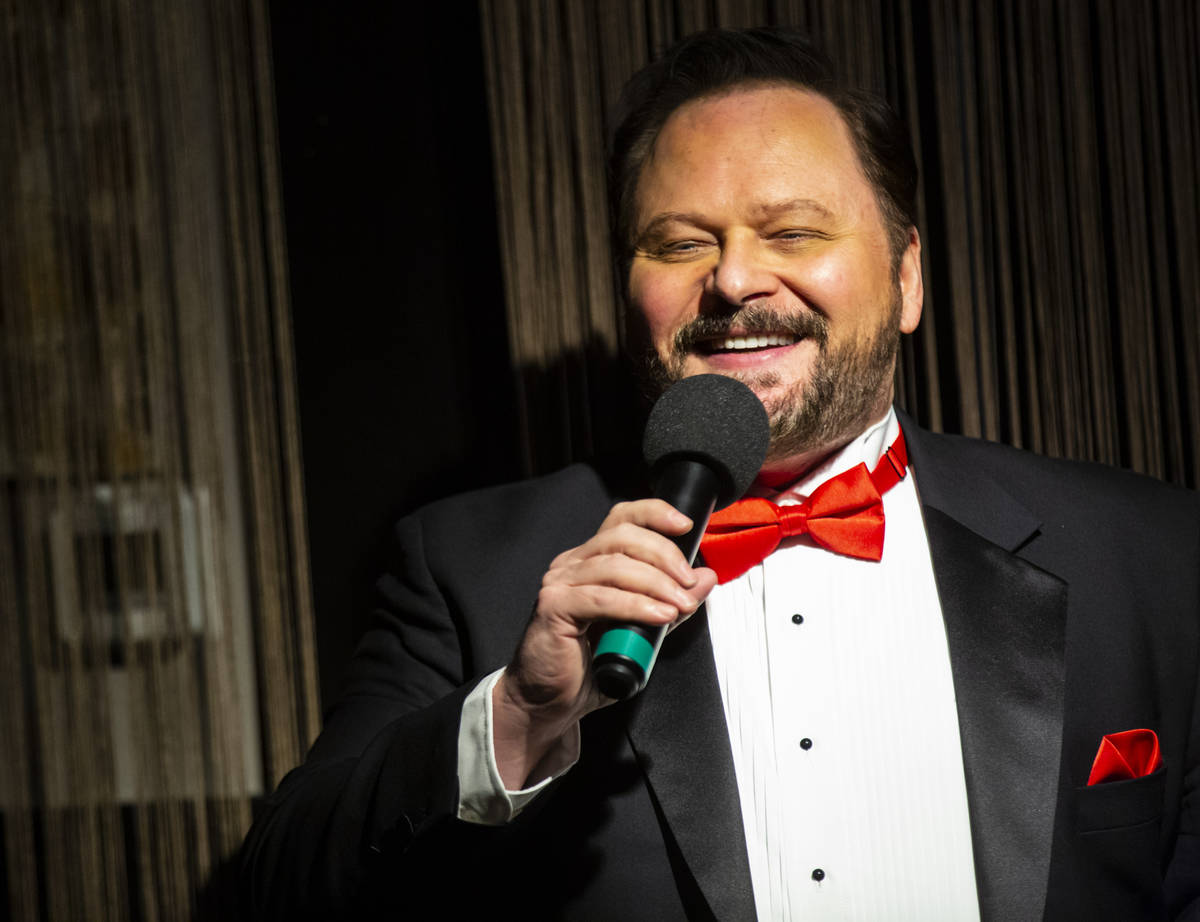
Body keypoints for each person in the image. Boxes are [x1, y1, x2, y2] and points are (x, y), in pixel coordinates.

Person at [240, 27, 1200, 921]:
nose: (735, 280)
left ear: (906, 278)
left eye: (792, 233)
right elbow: (279, 890)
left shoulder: (1151, 558)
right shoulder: (467, 568)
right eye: (681, 243)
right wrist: (520, 716)